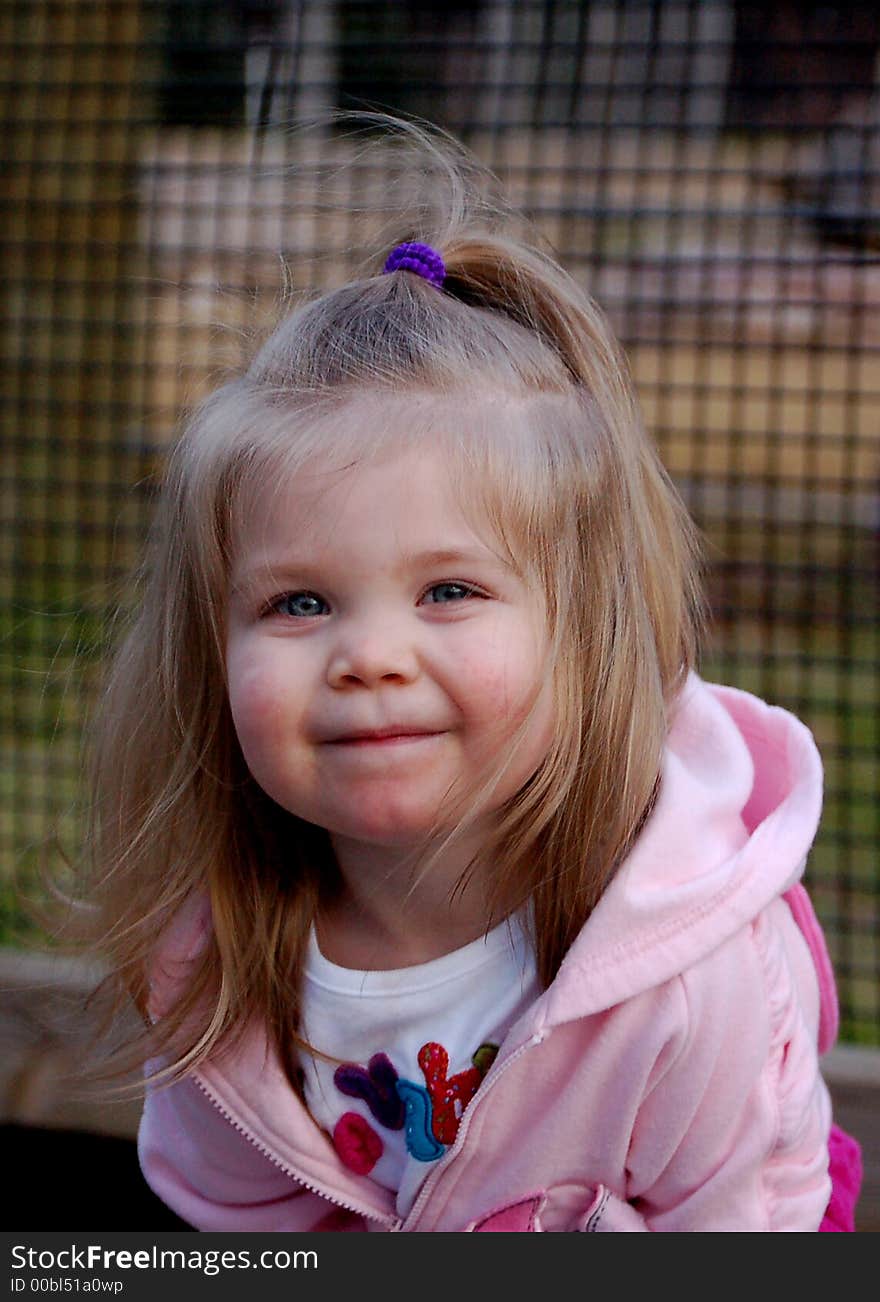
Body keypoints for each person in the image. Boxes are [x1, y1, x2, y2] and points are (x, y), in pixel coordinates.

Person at [84, 118, 860, 1232]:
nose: (369, 656)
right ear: (211, 650)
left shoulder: (686, 975)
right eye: (297, 602)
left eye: (448, 591)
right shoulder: (212, 970)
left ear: (581, 631)